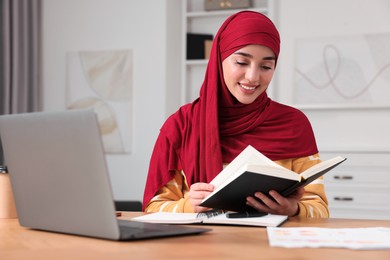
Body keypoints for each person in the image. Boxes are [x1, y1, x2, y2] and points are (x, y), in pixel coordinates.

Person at [142, 11, 329, 218]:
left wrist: (293, 209)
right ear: (219, 59)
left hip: (270, 247)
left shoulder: (293, 124)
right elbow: (154, 208)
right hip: (199, 247)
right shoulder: (181, 124)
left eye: (266, 66)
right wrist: (190, 205)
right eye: (241, 62)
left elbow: (319, 209)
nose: (252, 77)